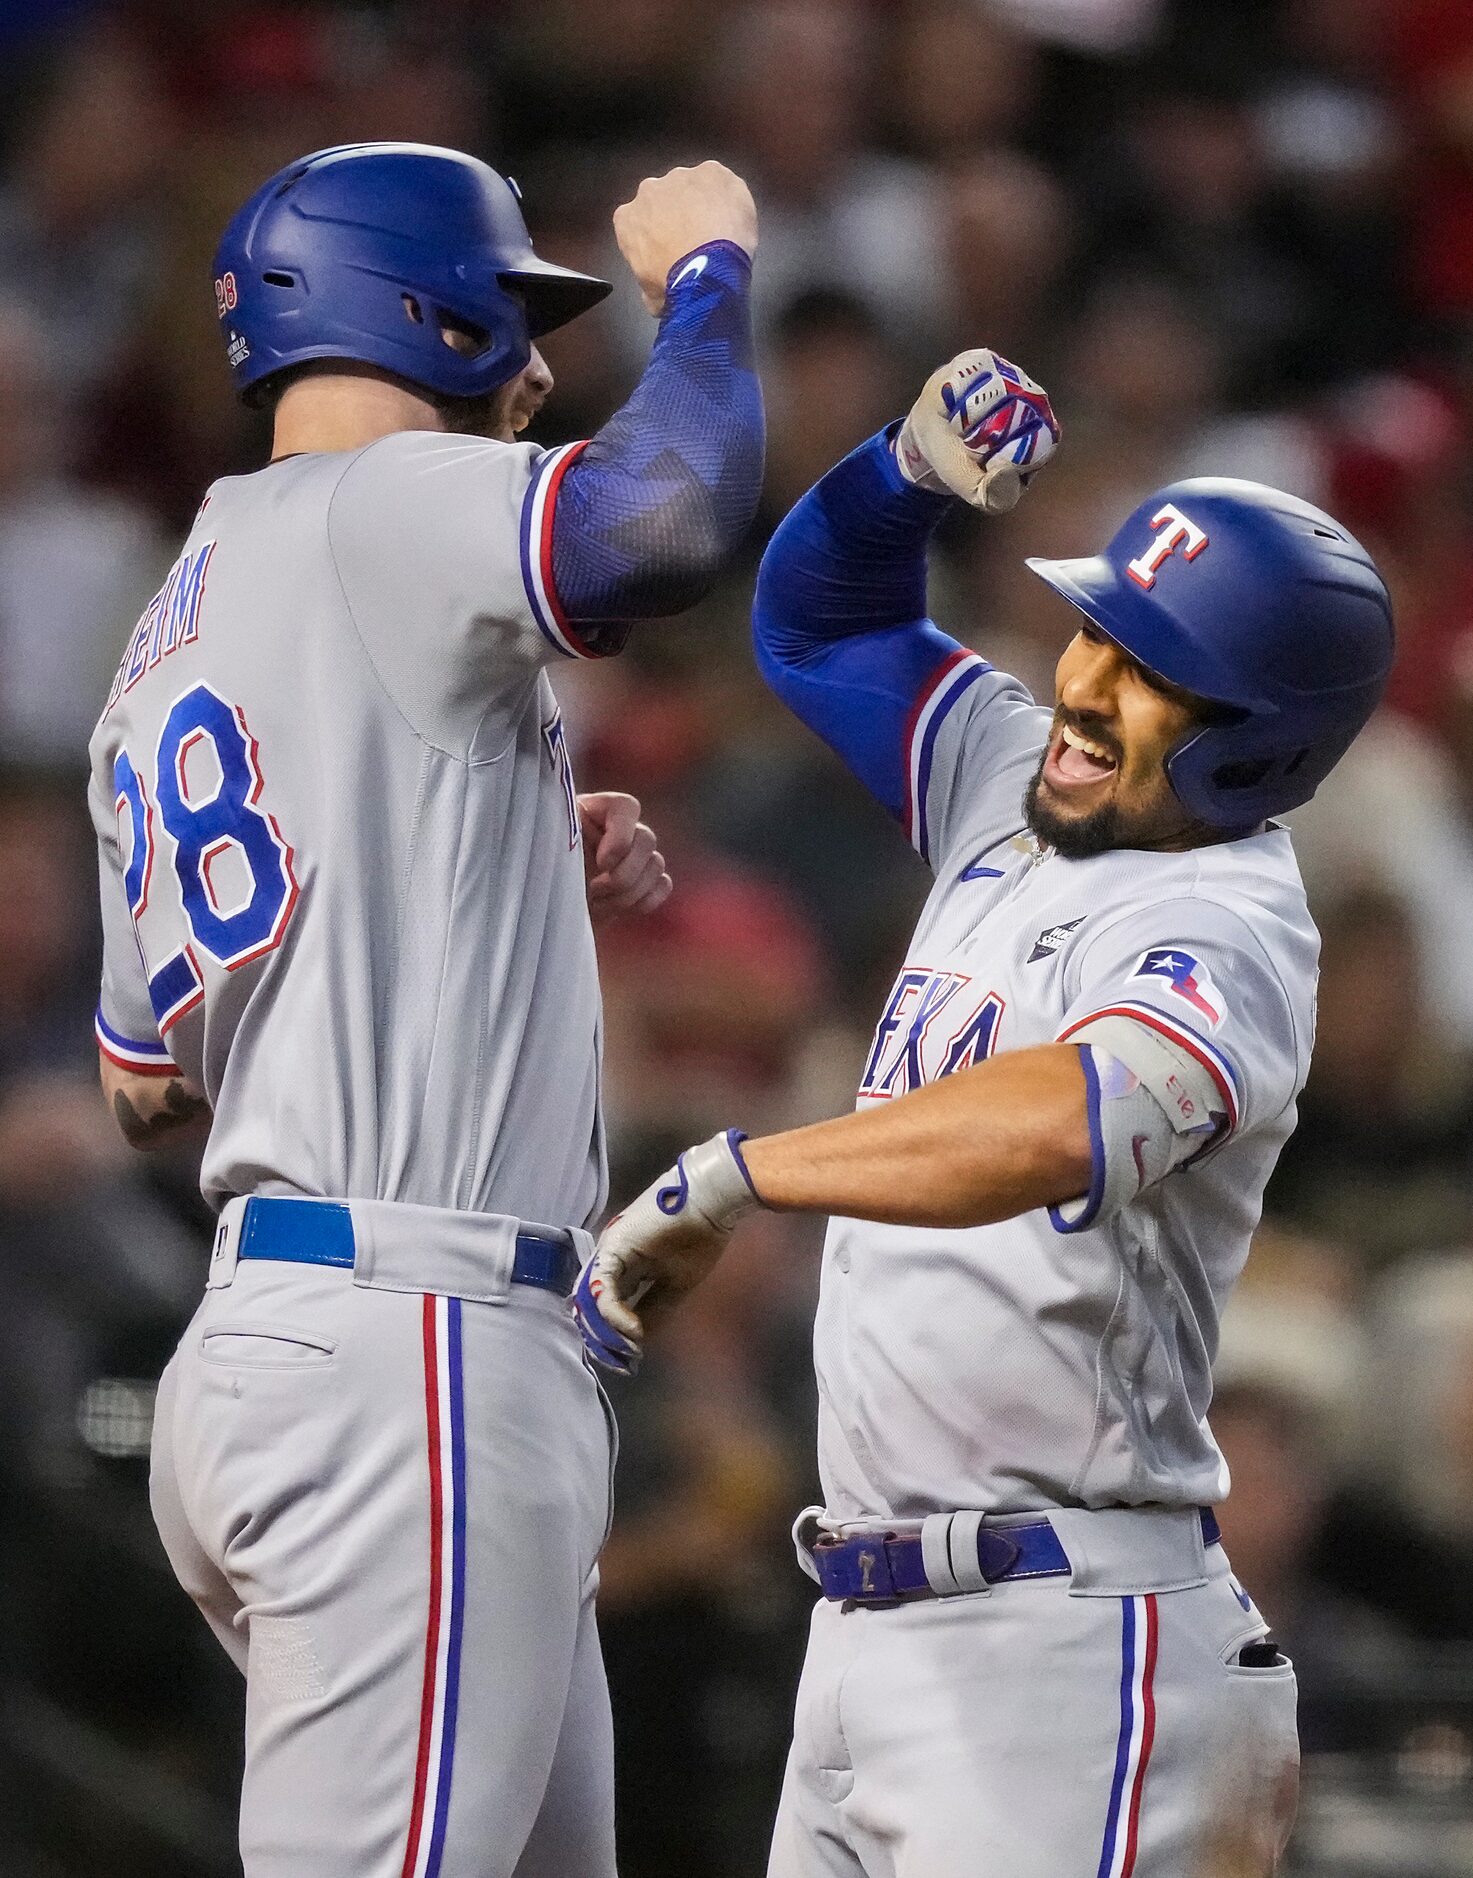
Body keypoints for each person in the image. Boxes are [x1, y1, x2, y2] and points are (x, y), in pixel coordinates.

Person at [576, 348, 1394, 1875]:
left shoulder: (1231, 924)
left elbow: (1057, 1117)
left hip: (1071, 1652)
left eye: (1147, 668)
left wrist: (738, 1174)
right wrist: (897, 475)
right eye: (1096, 630)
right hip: (876, 1627)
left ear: (1260, 740)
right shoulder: (1019, 774)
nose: (1082, 683)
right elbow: (816, 622)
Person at [87, 140, 762, 1878]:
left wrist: (482, 842)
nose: (536, 366)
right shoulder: (387, 501)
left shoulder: (171, 623)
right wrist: (710, 278)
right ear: (413, 301)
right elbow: (665, 518)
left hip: (292, 1341)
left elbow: (146, 1084)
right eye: (511, 313)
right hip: (417, 1361)